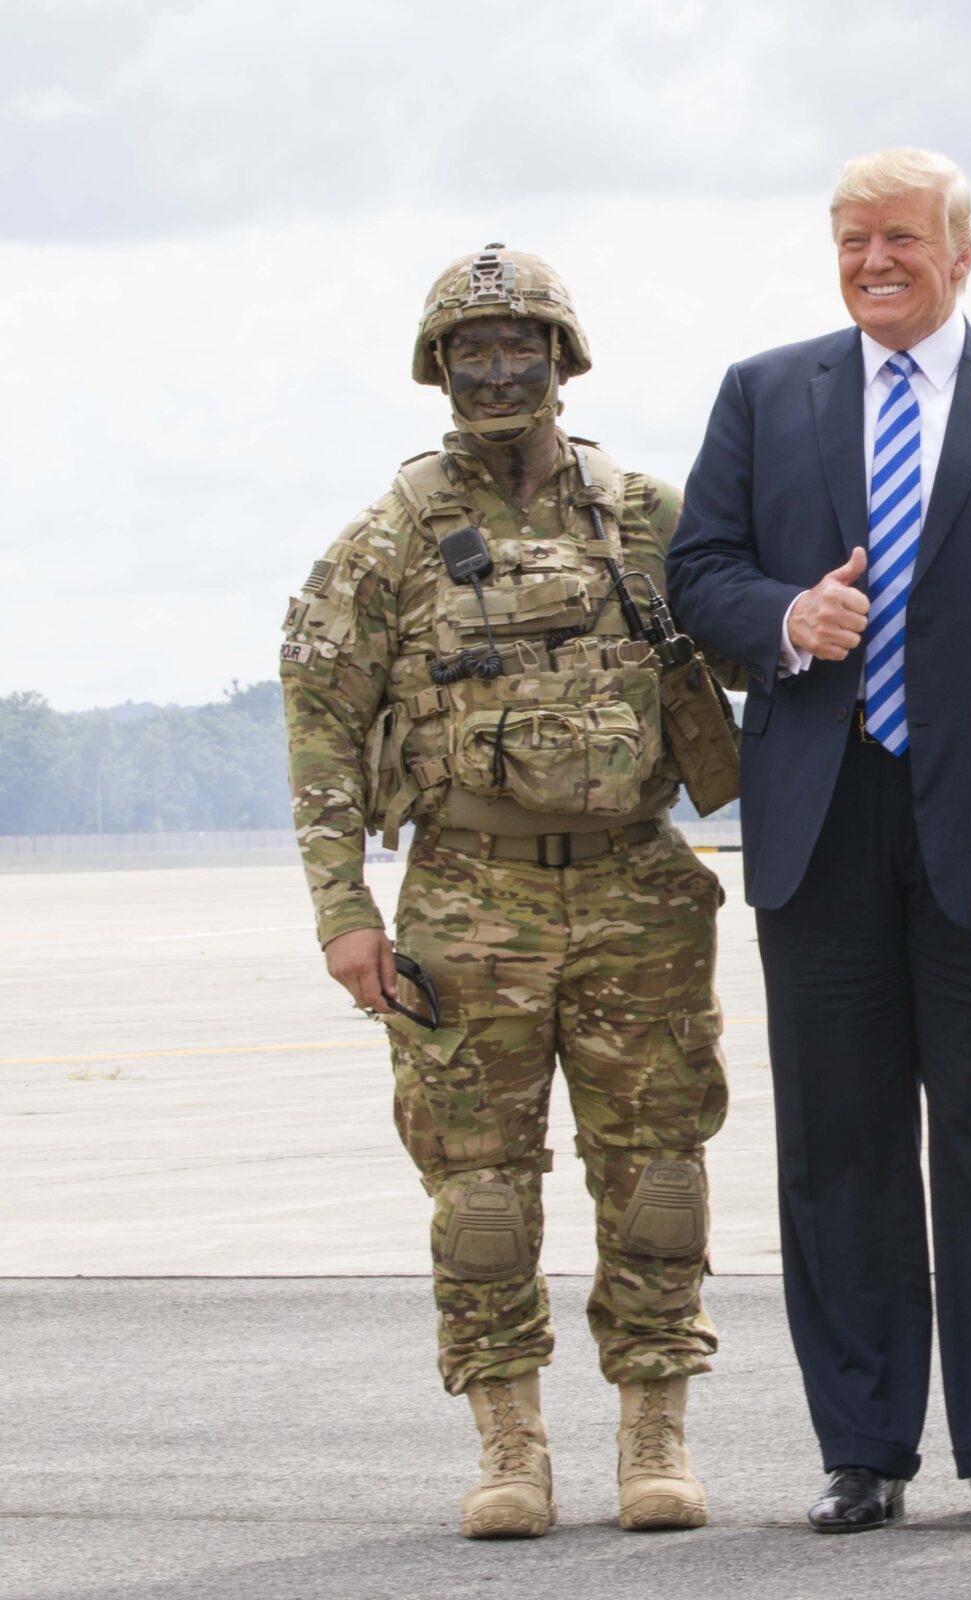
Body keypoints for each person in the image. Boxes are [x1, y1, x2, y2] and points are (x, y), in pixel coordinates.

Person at [666, 147, 971, 1532]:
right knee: (840, 1150)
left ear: (961, 254)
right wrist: (784, 618)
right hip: (822, 819)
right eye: (853, 240)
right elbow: (696, 571)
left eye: (902, 239)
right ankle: (862, 1446)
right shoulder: (764, 393)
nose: (875, 261)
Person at [279, 245, 737, 1539]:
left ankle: (655, 1434)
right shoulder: (390, 537)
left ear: (561, 358)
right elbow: (320, 719)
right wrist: (343, 912)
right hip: (467, 899)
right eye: (470, 351)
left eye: (518, 346)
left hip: (638, 892)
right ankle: (510, 1448)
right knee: (478, 1194)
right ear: (438, 370)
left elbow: (755, 637)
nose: (495, 372)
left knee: (657, 1179)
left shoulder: (646, 514)